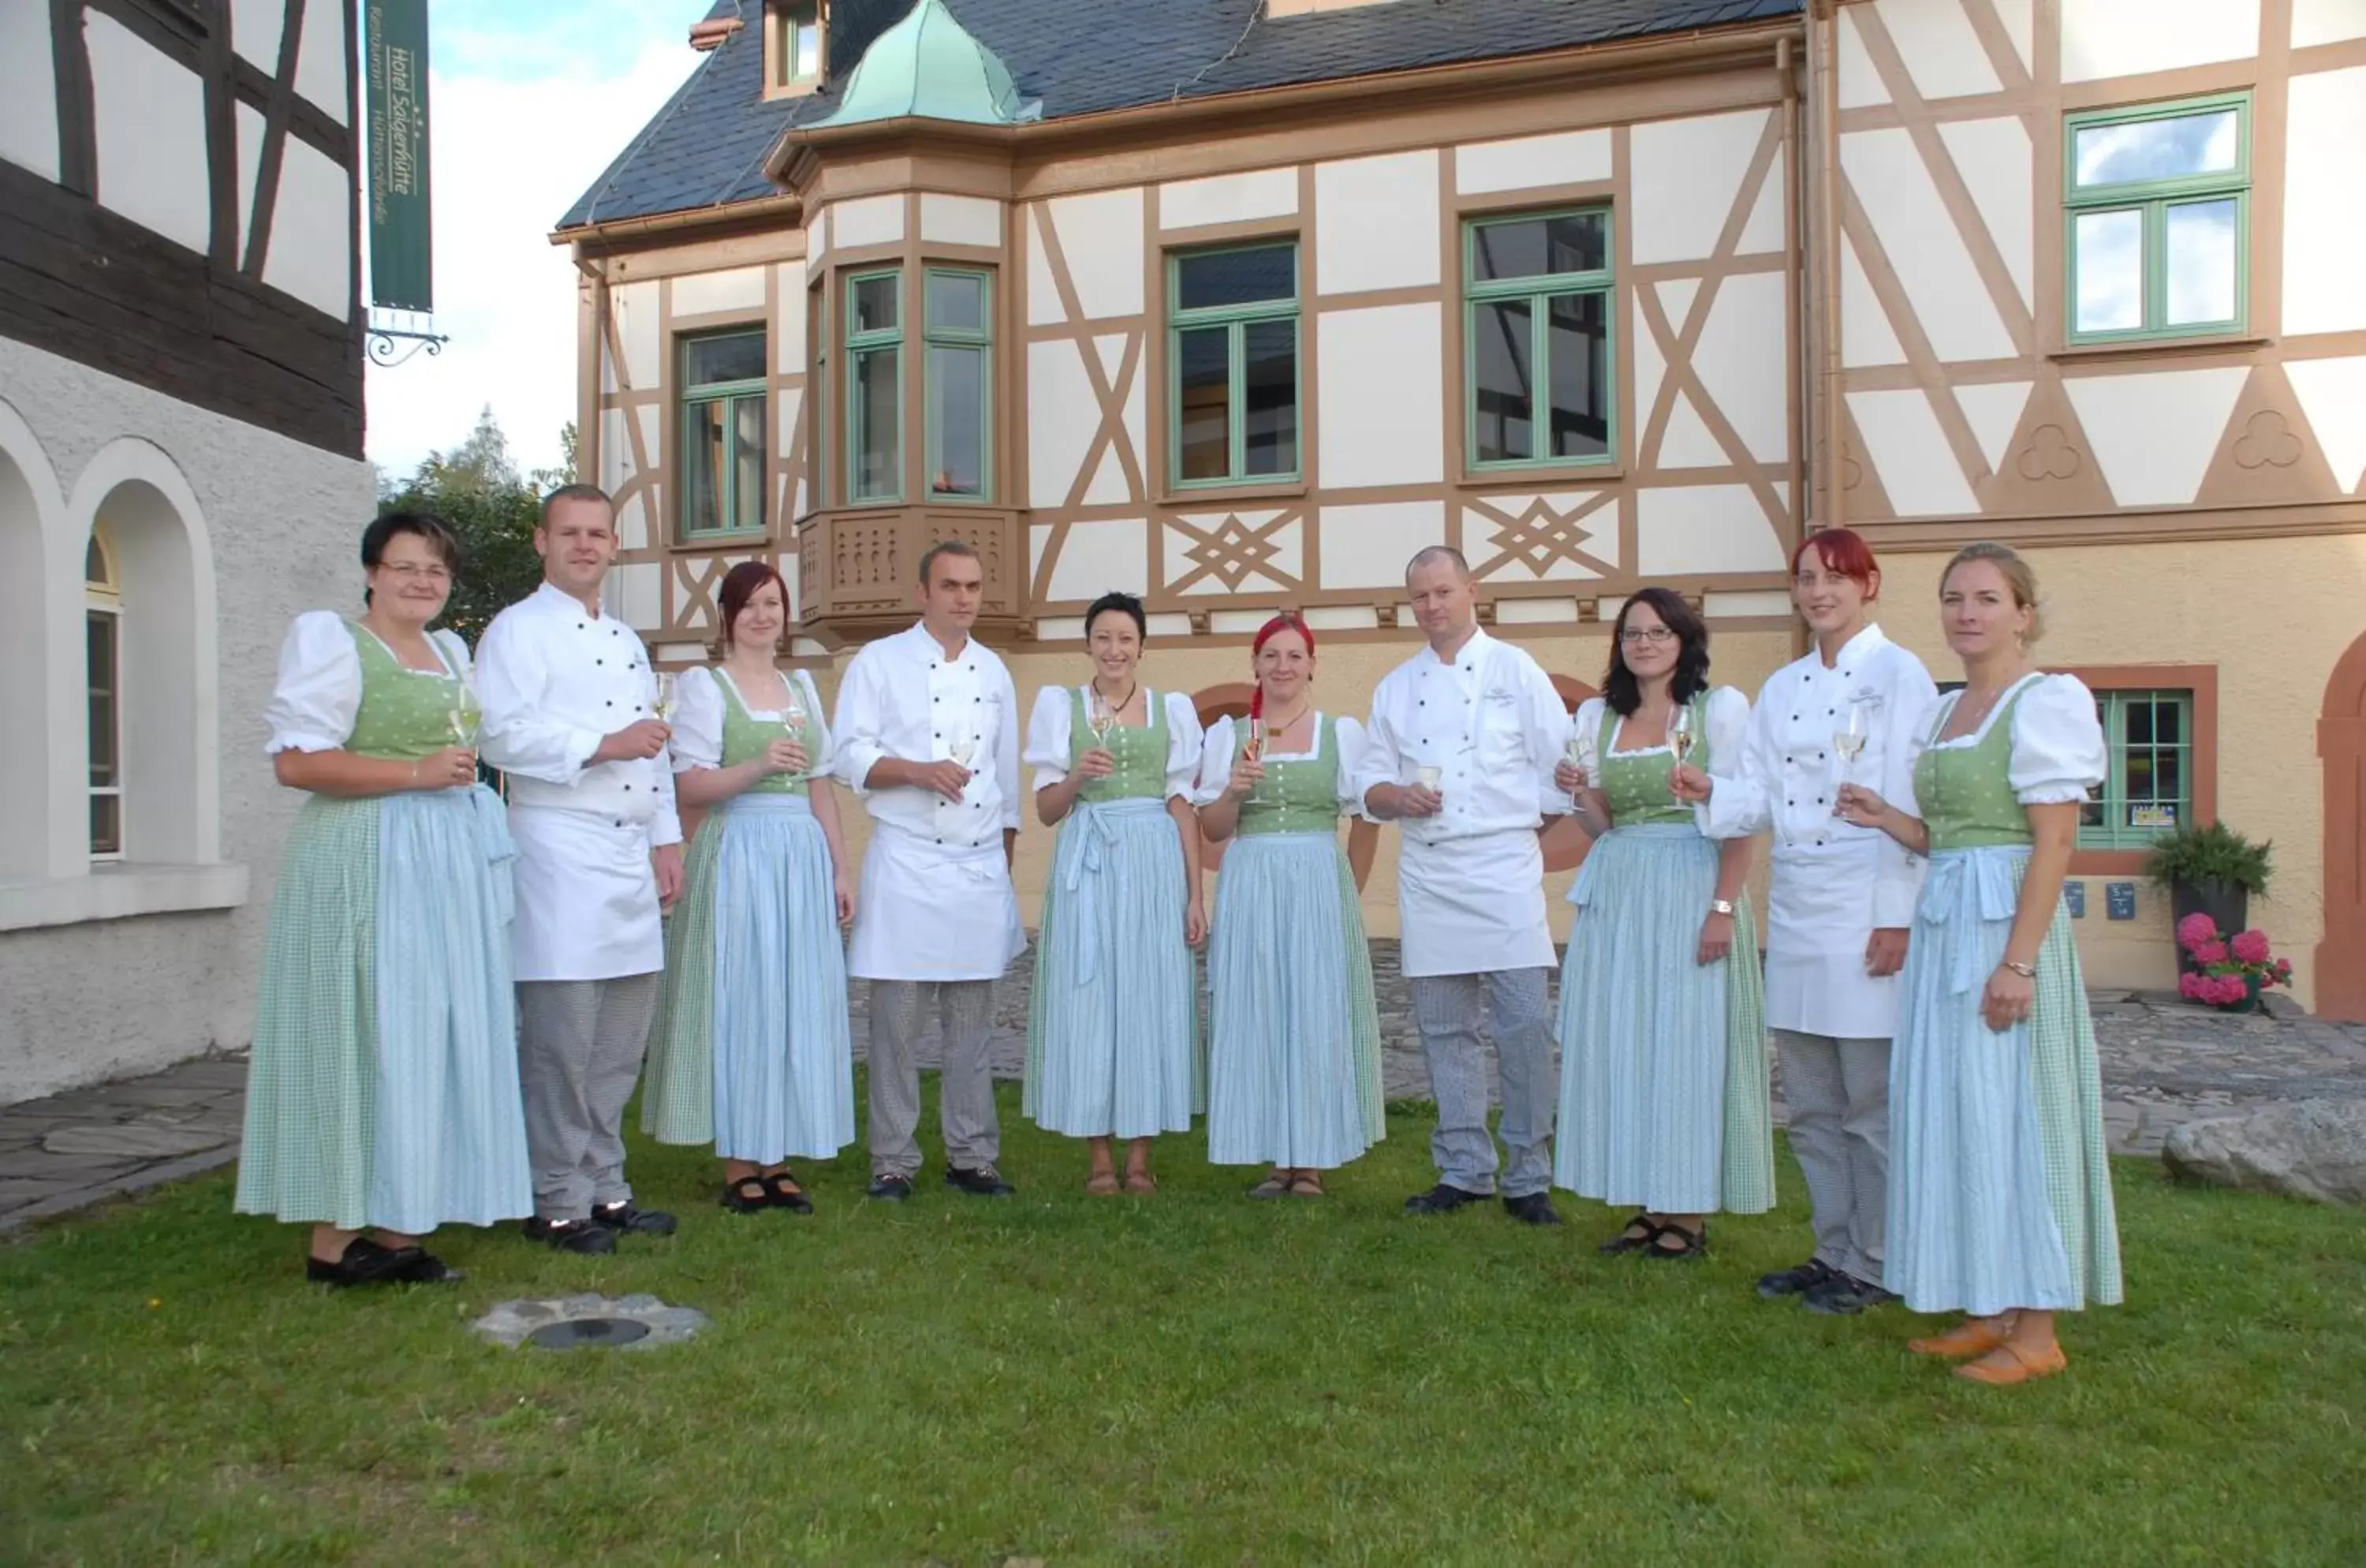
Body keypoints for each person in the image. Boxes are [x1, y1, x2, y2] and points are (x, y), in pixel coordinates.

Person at [1836, 543, 2122, 1386]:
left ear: (2024, 613)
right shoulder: (1947, 709)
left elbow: (2053, 841)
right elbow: (1949, 839)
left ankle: (2038, 1328)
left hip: (2004, 926)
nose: (1967, 612)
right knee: (1959, 1111)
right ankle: (1991, 1306)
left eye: (1988, 598)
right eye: (1954, 597)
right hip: (1948, 919)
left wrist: (2020, 963)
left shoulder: (2048, 701)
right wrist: (1889, 816)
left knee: (2017, 1116)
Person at [236, 512, 528, 1285]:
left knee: (428, 1028)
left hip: (444, 857)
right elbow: (297, 766)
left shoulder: (452, 650)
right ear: (371, 571)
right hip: (365, 854)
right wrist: (413, 775)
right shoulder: (332, 643)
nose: (422, 581)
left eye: (436, 570)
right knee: (361, 1023)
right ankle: (335, 1242)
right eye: (406, 566)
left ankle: (400, 1224)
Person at [1674, 528, 1938, 1312]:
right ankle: (1832, 1248)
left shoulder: (1901, 675)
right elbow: (1757, 792)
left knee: (1871, 1103)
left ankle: (1881, 1258)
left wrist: (1897, 915)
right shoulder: (1785, 685)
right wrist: (1707, 790)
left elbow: (1912, 800)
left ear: (1869, 584)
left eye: (1834, 577)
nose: (1818, 591)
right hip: (1798, 909)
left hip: (1865, 905)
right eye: (1806, 578)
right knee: (1815, 1103)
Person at [475, 484, 684, 1255]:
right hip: (558, 846)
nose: (586, 545)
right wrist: (602, 742)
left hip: (630, 854)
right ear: (542, 541)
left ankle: (607, 1183)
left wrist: (667, 839)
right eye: (571, 532)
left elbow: (654, 747)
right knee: (562, 1040)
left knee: (621, 1039)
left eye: (598, 533)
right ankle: (555, 1197)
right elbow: (499, 735)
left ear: (613, 544)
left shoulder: (628, 639)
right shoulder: (514, 632)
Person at [1551, 588, 1771, 1259]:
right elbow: (1604, 825)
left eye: (1658, 632)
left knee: (1686, 1044)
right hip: (1622, 887)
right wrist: (1578, 793)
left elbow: (1742, 817)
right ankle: (1649, 1200)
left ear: (1685, 640)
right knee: (1628, 1040)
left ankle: (1690, 1211)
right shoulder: (1600, 717)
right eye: (1632, 635)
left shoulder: (1720, 710)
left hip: (1690, 881)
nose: (1643, 644)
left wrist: (1724, 908)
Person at [1357, 548, 1569, 1226]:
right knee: (1445, 1030)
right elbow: (1368, 783)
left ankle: (1530, 1173)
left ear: (1471, 590)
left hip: (1505, 869)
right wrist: (1396, 798)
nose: (1432, 607)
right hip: (1431, 870)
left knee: (1525, 1026)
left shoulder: (1517, 670)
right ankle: (1464, 1169)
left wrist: (1519, 824)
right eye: (1419, 597)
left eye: (1443, 592)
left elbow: (1562, 764)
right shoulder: (1395, 688)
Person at [643, 562, 857, 1214]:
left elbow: (820, 785)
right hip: (738, 851)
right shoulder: (706, 687)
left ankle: (777, 1155)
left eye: (774, 603)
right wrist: (759, 764)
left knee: (791, 999)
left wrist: (839, 867)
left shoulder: (801, 688)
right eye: (751, 605)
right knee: (741, 998)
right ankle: (740, 1159)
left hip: (797, 855)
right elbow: (690, 786)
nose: (764, 615)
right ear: (728, 616)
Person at [832, 539, 1026, 1200]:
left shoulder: (995, 671)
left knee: (973, 1024)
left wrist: (1002, 868)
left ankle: (972, 1154)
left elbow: (1006, 782)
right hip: (908, 861)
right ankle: (893, 1158)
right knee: (897, 1024)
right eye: (950, 586)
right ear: (923, 592)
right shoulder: (878, 662)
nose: (964, 598)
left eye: (973, 586)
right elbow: (848, 756)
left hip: (975, 868)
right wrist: (916, 770)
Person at [1023, 592, 1206, 1194]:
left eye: (1125, 638)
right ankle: (1098, 1153)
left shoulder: (1170, 710)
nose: (1115, 650)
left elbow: (1181, 805)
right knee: (1091, 996)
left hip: (1153, 861)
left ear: (1142, 646)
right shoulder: (1061, 706)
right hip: (1090, 859)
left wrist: (1194, 894)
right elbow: (1048, 811)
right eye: (1103, 638)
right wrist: (1077, 775)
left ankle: (1139, 1157)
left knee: (1149, 999)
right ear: (1088, 645)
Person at [1198, 614, 1384, 1198]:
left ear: (1312, 665)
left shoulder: (1340, 732)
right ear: (1254, 664)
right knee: (1259, 1009)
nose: (1283, 666)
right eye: (1271, 655)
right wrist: (1232, 790)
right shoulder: (1227, 735)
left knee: (1314, 1011)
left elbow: (1366, 820)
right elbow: (1211, 826)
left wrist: (1345, 894)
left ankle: (1313, 1159)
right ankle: (1278, 1156)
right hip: (1251, 875)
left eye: (1294, 656)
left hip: (1315, 880)